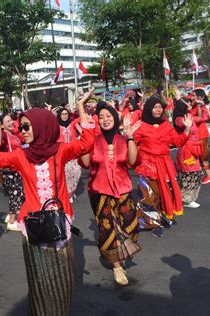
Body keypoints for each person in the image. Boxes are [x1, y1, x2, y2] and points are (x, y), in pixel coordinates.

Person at [0, 89, 96, 316]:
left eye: (26, 126)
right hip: (33, 228)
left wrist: (82, 107)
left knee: (61, 280)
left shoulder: (60, 151)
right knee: (39, 281)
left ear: (43, 126)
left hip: (59, 225)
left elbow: (87, 142)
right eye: (20, 127)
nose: (21, 130)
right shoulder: (20, 155)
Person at [80, 102, 141, 286]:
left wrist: (130, 138)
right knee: (108, 230)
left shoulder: (123, 139)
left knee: (131, 225)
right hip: (99, 191)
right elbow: (85, 163)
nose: (105, 120)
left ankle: (122, 250)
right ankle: (116, 266)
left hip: (123, 189)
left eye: (108, 116)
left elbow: (132, 161)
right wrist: (84, 140)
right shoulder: (94, 139)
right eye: (102, 117)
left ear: (115, 118)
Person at [133, 96, 192, 237]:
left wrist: (187, 128)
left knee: (162, 194)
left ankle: (159, 217)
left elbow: (178, 142)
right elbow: (131, 144)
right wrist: (128, 135)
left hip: (165, 165)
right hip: (147, 165)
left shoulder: (166, 125)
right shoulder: (141, 126)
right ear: (149, 109)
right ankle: (152, 223)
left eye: (160, 107)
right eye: (155, 107)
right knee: (148, 195)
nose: (158, 109)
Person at [173, 98, 206, 208]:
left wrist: (201, 106)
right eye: (186, 103)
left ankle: (188, 198)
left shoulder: (189, 117)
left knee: (197, 174)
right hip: (186, 151)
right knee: (189, 175)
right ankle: (184, 199)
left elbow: (203, 118)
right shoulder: (178, 119)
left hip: (194, 149)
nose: (189, 104)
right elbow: (182, 124)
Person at [0, 113, 25, 231]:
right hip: (10, 171)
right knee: (15, 195)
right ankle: (12, 221)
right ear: (2, 125)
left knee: (20, 194)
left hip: (18, 169)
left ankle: (12, 217)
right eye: (7, 121)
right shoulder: (3, 135)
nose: (11, 122)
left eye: (11, 120)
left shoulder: (14, 135)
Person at [56, 107, 82, 202]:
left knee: (76, 171)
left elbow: (82, 117)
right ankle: (67, 194)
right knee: (65, 173)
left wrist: (80, 107)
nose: (64, 116)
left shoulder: (72, 124)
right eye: (62, 114)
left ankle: (71, 191)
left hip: (72, 153)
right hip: (62, 153)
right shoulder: (56, 126)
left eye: (66, 114)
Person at [192, 89, 210, 184]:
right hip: (195, 133)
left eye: (194, 95)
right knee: (196, 154)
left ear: (200, 97)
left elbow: (201, 117)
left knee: (202, 154)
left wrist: (200, 105)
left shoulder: (202, 106)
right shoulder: (195, 104)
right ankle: (199, 175)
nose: (192, 97)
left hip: (200, 133)